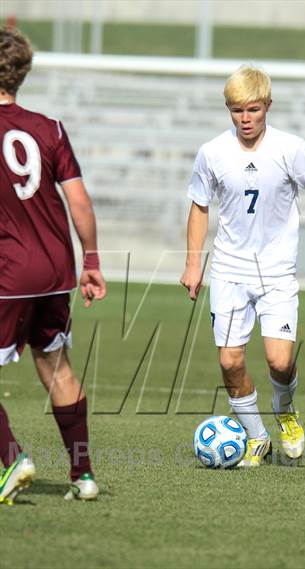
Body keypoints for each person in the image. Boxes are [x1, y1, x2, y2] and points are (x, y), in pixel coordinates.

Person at [180, 65, 305, 467]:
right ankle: (257, 438)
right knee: (230, 362)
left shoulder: (290, 148)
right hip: (229, 270)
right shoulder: (212, 152)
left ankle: (284, 411)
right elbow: (198, 205)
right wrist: (194, 264)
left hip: (277, 273)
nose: (245, 119)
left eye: (253, 110)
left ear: (268, 106)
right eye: (236, 111)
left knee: (280, 361)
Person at [0, 26, 106, 503]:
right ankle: (83, 476)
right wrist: (92, 261)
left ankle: (13, 459)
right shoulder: (50, 128)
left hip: (7, 273)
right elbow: (79, 202)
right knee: (58, 369)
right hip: (55, 270)